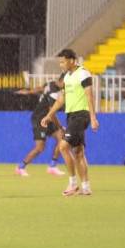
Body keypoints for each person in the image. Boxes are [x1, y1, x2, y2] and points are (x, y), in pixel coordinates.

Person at [41, 48, 99, 196]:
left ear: (72, 60)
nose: (61, 65)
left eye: (62, 62)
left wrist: (93, 118)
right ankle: (86, 187)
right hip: (71, 116)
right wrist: (49, 115)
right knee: (79, 152)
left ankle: (73, 184)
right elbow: (61, 99)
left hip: (82, 114)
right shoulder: (67, 77)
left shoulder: (83, 73)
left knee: (63, 146)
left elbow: (89, 96)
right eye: (60, 62)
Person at [13, 79, 67, 176]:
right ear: (61, 80)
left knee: (62, 137)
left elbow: (40, 88)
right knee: (40, 147)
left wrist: (28, 91)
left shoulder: (51, 83)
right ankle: (20, 167)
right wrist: (60, 126)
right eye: (65, 82)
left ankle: (52, 166)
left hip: (47, 118)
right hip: (39, 118)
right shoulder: (54, 94)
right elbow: (52, 114)